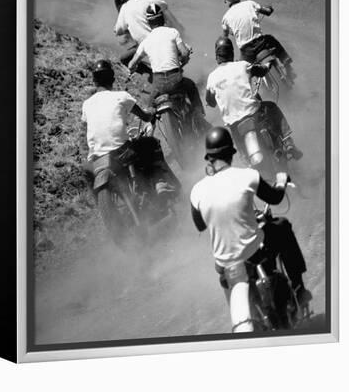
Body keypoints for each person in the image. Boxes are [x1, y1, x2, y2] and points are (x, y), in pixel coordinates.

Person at [190, 126, 311, 332]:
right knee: (281, 227)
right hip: (254, 256)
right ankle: (299, 289)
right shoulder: (248, 176)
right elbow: (275, 198)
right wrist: (281, 182)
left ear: (208, 158)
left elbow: (200, 224)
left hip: (226, 268)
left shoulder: (197, 191)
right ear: (231, 153)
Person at [81, 59, 178, 203]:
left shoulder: (86, 104)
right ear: (112, 79)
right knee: (152, 143)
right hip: (121, 152)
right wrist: (151, 112)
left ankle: (101, 205)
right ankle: (159, 183)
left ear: (94, 82)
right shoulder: (121, 96)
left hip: (97, 159)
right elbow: (145, 117)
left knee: (88, 173)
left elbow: (85, 129)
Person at [206, 37, 302, 161]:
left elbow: (210, 102)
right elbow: (262, 71)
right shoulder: (242, 65)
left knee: (239, 149)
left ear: (217, 55)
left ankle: (246, 159)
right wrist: (268, 64)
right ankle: (288, 142)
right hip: (253, 113)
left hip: (234, 124)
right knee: (272, 107)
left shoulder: (211, 78)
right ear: (231, 52)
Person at [128, 3, 208, 128]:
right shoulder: (173, 32)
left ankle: (149, 129)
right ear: (163, 19)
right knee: (191, 86)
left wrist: (132, 69)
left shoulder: (146, 41)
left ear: (149, 23)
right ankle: (199, 115)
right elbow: (185, 52)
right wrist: (183, 61)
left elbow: (132, 63)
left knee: (149, 107)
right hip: (176, 81)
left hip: (159, 85)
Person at [221, 0, 295, 78]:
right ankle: (287, 65)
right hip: (262, 44)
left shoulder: (225, 18)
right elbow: (267, 11)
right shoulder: (249, 3)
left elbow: (225, 40)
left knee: (242, 73)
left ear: (225, 0)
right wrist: (270, 8)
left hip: (247, 52)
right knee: (271, 39)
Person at [114, 0, 170, 75]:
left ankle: (149, 73)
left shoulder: (125, 8)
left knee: (124, 59)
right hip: (161, 40)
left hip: (144, 45)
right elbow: (165, 5)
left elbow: (118, 31)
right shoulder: (149, 1)